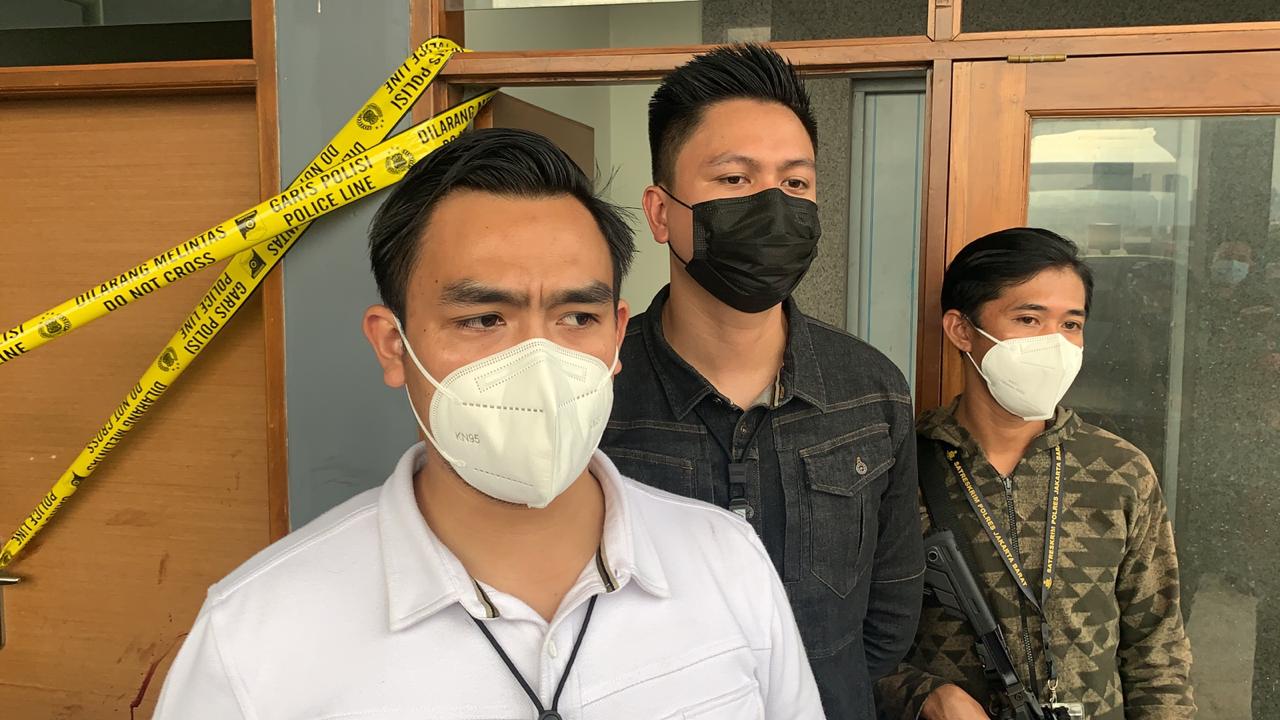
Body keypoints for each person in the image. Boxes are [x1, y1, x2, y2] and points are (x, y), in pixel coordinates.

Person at [153, 128, 824, 719]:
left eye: (577, 317)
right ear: (392, 346)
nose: (539, 361)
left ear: (618, 336)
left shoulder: (726, 563)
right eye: (482, 319)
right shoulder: (255, 636)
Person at [601, 43, 923, 718]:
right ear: (660, 213)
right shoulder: (595, 393)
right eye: (734, 179)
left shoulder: (872, 390)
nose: (774, 206)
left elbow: (890, 609)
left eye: (796, 184)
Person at [876, 227, 1195, 720]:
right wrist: (924, 696)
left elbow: (1158, 647)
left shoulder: (1120, 470)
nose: (1055, 343)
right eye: (1028, 319)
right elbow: (844, 637)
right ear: (962, 330)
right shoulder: (896, 468)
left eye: (1071, 324)